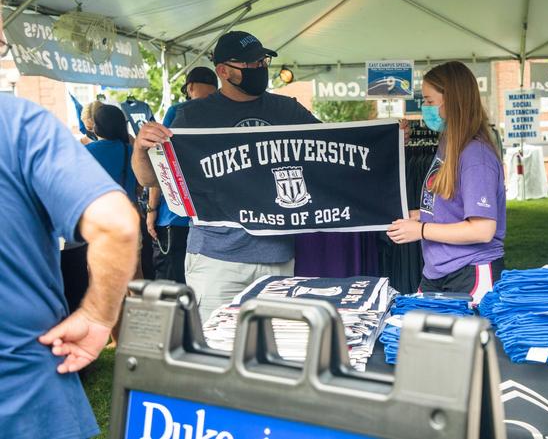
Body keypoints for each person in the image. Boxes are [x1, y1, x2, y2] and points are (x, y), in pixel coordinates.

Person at [133, 31, 319, 321]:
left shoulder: (288, 110)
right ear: (223, 71)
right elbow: (150, 179)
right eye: (251, 64)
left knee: (275, 351)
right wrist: (141, 149)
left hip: (277, 257)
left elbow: (335, 146)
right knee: (215, 353)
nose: (260, 68)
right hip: (215, 258)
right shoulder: (191, 117)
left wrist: (387, 135)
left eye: (263, 60)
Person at [0, 60, 139, 438]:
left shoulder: (87, 149)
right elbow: (117, 222)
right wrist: (96, 315)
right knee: (130, 292)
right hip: (25, 395)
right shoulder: (18, 123)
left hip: (80, 239)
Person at [388, 61, 506, 304]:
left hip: (469, 271)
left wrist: (420, 230)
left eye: (430, 101)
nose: (424, 108)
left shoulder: (476, 156)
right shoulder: (448, 144)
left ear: (452, 101)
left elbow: (483, 229)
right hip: (437, 270)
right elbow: (453, 205)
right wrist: (420, 215)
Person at [146, 67, 218, 283]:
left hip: (176, 214)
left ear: (190, 87)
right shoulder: (223, 115)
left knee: (171, 285)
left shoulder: (178, 112)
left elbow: (161, 160)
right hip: (213, 216)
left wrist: (151, 208)